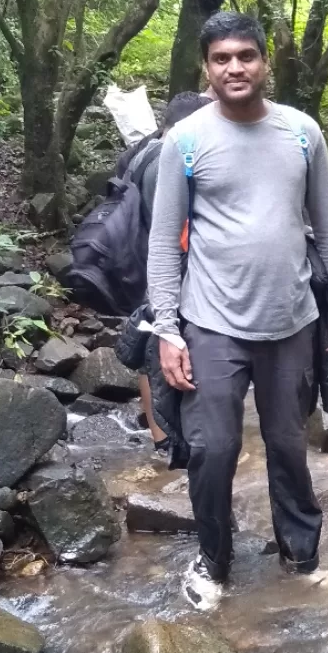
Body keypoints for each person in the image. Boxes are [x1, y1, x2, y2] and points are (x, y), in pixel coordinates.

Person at [147, 11, 328, 611]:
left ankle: (303, 558)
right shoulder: (185, 141)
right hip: (211, 322)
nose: (235, 67)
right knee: (214, 450)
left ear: (266, 62)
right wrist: (167, 329)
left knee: (288, 445)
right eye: (222, 59)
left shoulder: (301, 133)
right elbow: (165, 239)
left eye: (246, 55)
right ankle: (213, 561)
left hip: (293, 320)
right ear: (207, 68)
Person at [128, 92, 210, 449]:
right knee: (162, 348)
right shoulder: (169, 158)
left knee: (148, 350)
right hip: (168, 267)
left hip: (137, 260)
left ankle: (158, 434)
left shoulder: (140, 153)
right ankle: (169, 437)